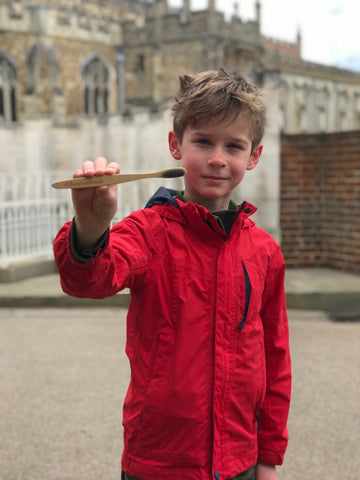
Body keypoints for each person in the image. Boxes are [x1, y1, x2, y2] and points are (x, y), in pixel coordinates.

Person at [53, 68, 291, 480]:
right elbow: (88, 281)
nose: (218, 158)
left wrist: (267, 456)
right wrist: (91, 228)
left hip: (239, 461)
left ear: (253, 156)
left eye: (233, 146)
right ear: (176, 145)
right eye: (203, 141)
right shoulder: (147, 230)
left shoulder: (265, 252)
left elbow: (275, 358)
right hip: (158, 461)